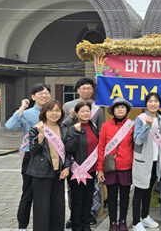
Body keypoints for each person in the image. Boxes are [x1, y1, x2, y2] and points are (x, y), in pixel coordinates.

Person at [5, 83, 51, 231]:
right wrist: (22, 108)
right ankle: (22, 226)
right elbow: (10, 126)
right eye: (40, 93)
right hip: (31, 156)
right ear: (33, 97)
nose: (44, 95)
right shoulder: (27, 113)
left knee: (47, 193)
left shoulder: (55, 112)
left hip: (51, 155)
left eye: (46, 93)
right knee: (28, 193)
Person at [63, 77, 105, 228]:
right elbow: (63, 130)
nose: (86, 91)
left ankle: (86, 220)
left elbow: (101, 134)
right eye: (83, 88)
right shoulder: (68, 106)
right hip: (76, 166)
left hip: (91, 166)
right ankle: (75, 221)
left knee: (88, 196)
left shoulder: (98, 111)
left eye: (89, 88)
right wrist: (71, 118)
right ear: (78, 90)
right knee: (76, 197)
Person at [26, 100, 71, 231]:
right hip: (41, 173)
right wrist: (40, 134)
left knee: (58, 208)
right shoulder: (36, 128)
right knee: (42, 209)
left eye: (57, 110)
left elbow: (68, 151)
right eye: (51, 110)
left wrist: (67, 167)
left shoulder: (63, 129)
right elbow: (34, 150)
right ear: (44, 112)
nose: (54, 113)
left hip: (59, 173)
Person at [97, 97, 134, 231]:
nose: (120, 109)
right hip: (110, 167)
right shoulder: (106, 126)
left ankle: (123, 221)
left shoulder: (132, 125)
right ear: (113, 110)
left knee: (125, 196)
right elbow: (101, 147)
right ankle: (113, 222)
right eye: (117, 107)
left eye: (123, 107)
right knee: (112, 197)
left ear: (127, 110)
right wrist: (100, 168)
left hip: (126, 167)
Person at [65, 101, 100, 231]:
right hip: (77, 170)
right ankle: (76, 226)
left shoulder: (93, 125)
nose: (86, 113)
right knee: (77, 201)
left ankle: (86, 225)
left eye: (88, 111)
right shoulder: (72, 127)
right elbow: (68, 147)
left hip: (91, 170)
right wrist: (76, 133)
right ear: (77, 113)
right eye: (83, 111)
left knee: (88, 199)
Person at [132, 93, 161, 231]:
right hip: (143, 161)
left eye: (156, 101)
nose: (153, 104)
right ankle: (135, 222)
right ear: (146, 104)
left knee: (149, 190)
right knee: (139, 191)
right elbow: (138, 140)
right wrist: (147, 126)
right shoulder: (140, 119)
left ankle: (145, 217)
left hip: (156, 161)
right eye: (150, 101)